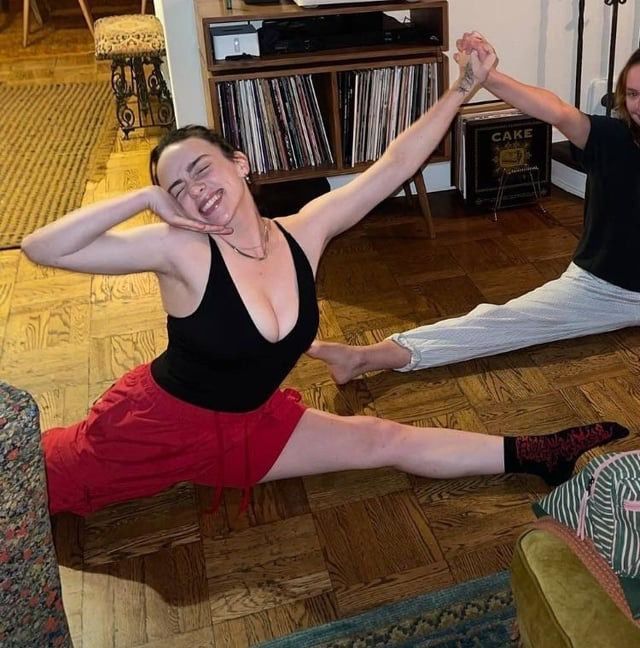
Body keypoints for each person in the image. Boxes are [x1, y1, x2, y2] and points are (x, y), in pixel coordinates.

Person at [21, 46, 628, 519]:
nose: (194, 190)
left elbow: (395, 162)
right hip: (157, 427)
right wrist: (141, 198)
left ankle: (537, 453)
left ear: (240, 164)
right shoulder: (179, 249)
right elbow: (40, 247)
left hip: (251, 424)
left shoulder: (305, 231)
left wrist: (464, 85)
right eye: (176, 187)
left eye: (201, 168)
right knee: (29, 491)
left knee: (381, 438)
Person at [308, 35, 640, 385]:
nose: (638, 105)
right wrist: (485, 75)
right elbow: (555, 110)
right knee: (505, 323)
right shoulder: (609, 139)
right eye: (633, 94)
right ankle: (365, 358)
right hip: (602, 290)